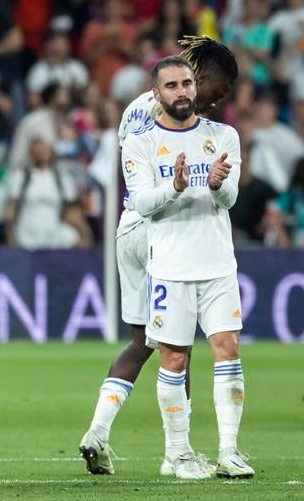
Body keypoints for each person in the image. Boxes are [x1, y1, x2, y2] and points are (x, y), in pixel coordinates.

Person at [78, 37, 239, 477]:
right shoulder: (171, 114)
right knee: (176, 342)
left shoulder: (138, 105)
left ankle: (98, 430)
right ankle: (178, 452)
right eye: (217, 93)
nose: (215, 103)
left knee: (142, 341)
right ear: (200, 79)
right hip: (159, 228)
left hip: (128, 228)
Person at [119, 55, 249, 480]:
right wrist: (174, 188)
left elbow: (230, 199)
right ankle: (178, 453)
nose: (182, 92)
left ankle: (229, 451)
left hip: (217, 264)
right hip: (170, 265)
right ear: (156, 94)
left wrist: (216, 185)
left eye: (187, 83)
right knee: (173, 359)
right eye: (171, 85)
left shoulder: (224, 135)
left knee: (227, 350)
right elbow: (140, 203)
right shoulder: (140, 143)